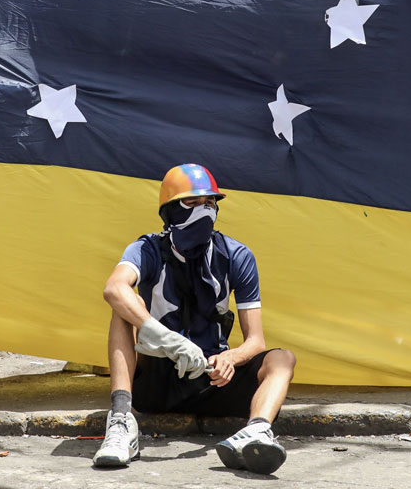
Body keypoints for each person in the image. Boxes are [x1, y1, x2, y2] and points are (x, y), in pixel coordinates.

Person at [92, 163, 297, 474]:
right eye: (194, 203)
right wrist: (167, 340)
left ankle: (256, 432)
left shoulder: (236, 255)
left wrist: (232, 357)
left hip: (211, 378)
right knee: (124, 304)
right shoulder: (147, 248)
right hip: (157, 376)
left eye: (211, 203)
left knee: (283, 358)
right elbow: (113, 288)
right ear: (170, 210)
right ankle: (120, 423)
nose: (205, 211)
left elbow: (256, 340)